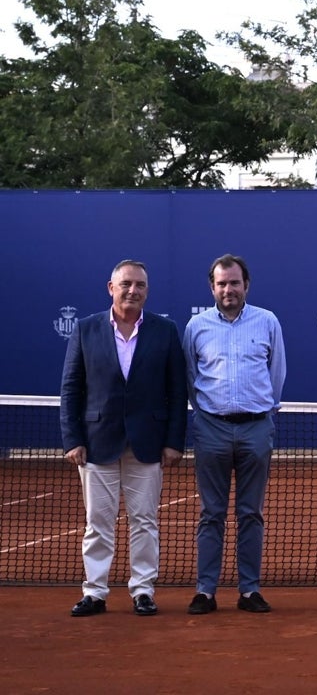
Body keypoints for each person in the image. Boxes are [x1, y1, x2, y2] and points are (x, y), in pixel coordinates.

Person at [59, 260, 187, 617]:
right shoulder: (85, 329)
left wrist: (174, 440)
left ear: (147, 291)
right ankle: (95, 592)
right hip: (97, 441)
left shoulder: (165, 330)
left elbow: (177, 392)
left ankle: (143, 591)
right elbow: (71, 389)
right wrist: (72, 439)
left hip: (148, 443)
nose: (133, 291)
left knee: (144, 520)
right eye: (126, 284)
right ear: (110, 287)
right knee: (97, 522)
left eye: (140, 286)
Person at [184, 254, 286, 615]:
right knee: (211, 512)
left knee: (250, 513)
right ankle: (205, 591)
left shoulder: (267, 321)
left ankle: (249, 591)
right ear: (212, 287)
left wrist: (263, 412)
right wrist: (208, 413)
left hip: (257, 427)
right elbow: (190, 379)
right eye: (222, 283)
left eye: (235, 282)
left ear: (247, 285)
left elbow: (276, 374)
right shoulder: (196, 327)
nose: (229, 289)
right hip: (210, 427)